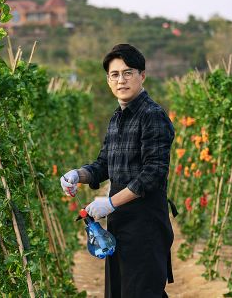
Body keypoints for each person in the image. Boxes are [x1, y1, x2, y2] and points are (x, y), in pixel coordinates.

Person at [60, 44, 176, 298]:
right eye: (115, 74)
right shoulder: (117, 117)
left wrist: (111, 202)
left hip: (145, 225)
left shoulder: (152, 116)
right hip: (119, 225)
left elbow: (152, 173)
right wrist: (77, 175)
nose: (121, 80)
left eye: (127, 73)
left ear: (142, 75)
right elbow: (103, 165)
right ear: (108, 80)